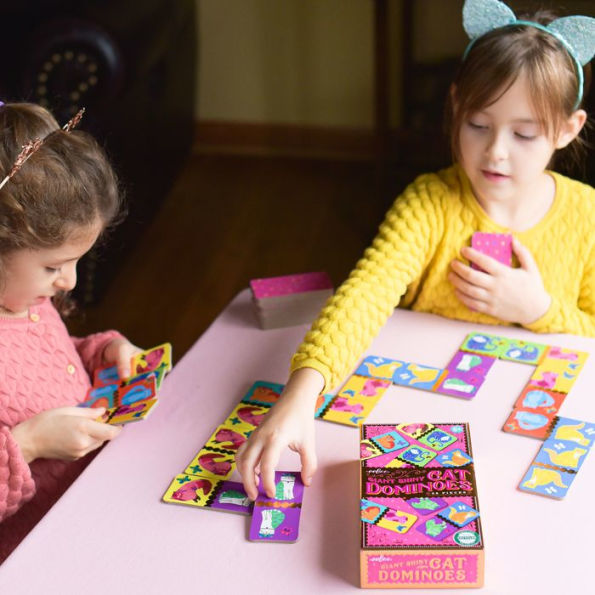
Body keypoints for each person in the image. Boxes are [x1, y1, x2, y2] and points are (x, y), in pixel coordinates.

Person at [237, 0, 595, 500]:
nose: (495, 150)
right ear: (454, 106)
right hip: (419, 418)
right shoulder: (429, 201)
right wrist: (300, 394)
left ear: (567, 129)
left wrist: (540, 310)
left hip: (526, 441)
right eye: (477, 124)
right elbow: (364, 292)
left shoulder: (586, 215)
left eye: (524, 133)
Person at [0, 102, 141, 561]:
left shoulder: (31, 301)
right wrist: (31, 442)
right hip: (42, 553)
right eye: (54, 266)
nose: (71, 282)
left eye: (78, 262)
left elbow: (53, 365)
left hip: (98, 506)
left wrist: (102, 351)